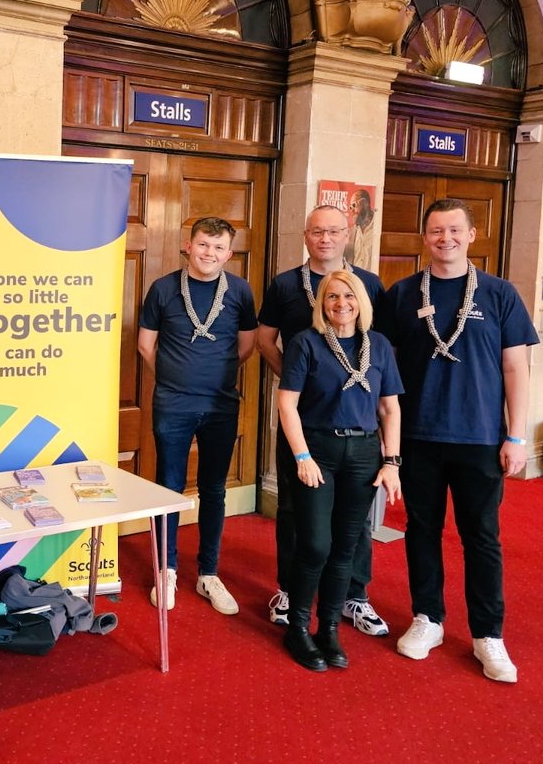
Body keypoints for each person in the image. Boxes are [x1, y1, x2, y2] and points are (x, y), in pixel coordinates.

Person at [384, 198, 539, 683]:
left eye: (454, 230)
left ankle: (487, 634)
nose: (444, 238)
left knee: (481, 537)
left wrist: (516, 434)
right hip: (420, 435)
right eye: (435, 231)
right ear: (424, 237)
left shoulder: (499, 294)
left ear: (472, 235)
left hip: (479, 438)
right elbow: (383, 365)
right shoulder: (403, 293)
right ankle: (428, 618)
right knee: (421, 530)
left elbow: (516, 368)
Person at [256, 205, 392, 636]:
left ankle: (356, 594)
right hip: (304, 423)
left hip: (357, 426)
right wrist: (302, 386)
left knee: (356, 514)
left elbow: (378, 350)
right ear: (305, 234)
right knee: (296, 509)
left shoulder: (368, 284)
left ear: (348, 233)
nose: (326, 239)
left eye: (334, 231)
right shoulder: (284, 284)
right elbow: (264, 340)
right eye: (317, 231)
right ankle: (290, 590)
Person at [277, 270, 403, 671]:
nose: (341, 304)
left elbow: (389, 408)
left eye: (349, 296)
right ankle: (297, 628)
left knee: (346, 547)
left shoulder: (379, 346)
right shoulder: (306, 343)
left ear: (361, 301)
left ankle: (328, 628)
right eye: (332, 297)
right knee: (315, 544)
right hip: (319, 451)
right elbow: (287, 405)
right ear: (322, 303)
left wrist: (391, 462)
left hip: (365, 453)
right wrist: (302, 457)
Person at [138, 217, 257, 613]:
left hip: (221, 405)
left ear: (229, 252)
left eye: (219, 247)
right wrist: (175, 377)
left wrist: (211, 377)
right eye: (204, 245)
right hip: (173, 404)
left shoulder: (240, 291)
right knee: (169, 487)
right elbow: (145, 345)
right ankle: (165, 569)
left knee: (214, 490)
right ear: (189, 245)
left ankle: (209, 573)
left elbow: (245, 346)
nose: (210, 253)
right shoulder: (163, 289)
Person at [349, 189, 375, 270]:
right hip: (355, 280)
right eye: (350, 207)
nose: (352, 210)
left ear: (364, 202)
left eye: (354, 205)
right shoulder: (352, 232)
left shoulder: (377, 227)